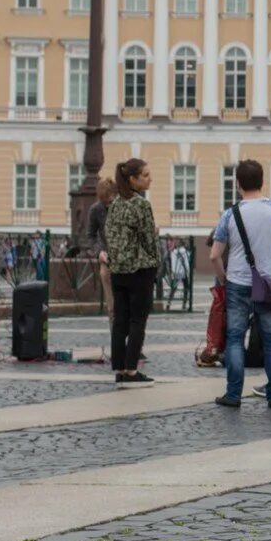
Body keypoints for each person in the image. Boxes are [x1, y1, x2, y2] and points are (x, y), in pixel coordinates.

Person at [209, 159, 271, 409]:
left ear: (238, 184)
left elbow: (214, 255)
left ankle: (233, 394)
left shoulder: (230, 214)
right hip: (268, 283)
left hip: (237, 282)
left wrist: (223, 278)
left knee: (235, 338)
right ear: (262, 181)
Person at [103, 158, 159, 388]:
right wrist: (155, 261)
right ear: (132, 179)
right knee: (137, 321)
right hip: (139, 269)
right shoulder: (141, 205)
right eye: (145, 175)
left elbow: (110, 235)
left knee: (120, 321)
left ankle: (119, 369)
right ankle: (132, 370)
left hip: (118, 271)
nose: (149, 179)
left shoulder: (115, 204)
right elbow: (148, 239)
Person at [89, 178, 117, 320]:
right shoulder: (95, 209)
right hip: (107, 261)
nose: (107, 204)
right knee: (112, 308)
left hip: (126, 261)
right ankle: (116, 340)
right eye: (104, 201)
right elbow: (91, 236)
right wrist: (99, 252)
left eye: (110, 201)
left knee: (128, 307)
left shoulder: (123, 206)